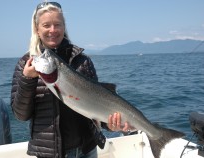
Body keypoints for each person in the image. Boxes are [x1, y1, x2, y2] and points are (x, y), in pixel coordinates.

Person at [11, 1, 132, 158]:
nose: (53, 30)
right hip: (50, 153)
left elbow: (95, 105)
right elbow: (21, 115)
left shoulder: (82, 61)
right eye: (46, 25)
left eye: (57, 24)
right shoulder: (25, 64)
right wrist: (28, 79)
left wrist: (111, 124)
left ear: (64, 27)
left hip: (86, 150)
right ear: (37, 29)